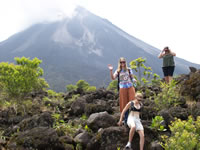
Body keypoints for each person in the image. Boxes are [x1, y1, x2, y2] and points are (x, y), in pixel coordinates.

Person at [108, 57, 136, 124]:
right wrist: (111, 71)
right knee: (124, 104)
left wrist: (134, 80)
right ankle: (126, 120)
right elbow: (113, 78)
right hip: (122, 88)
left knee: (132, 102)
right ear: (119, 63)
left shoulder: (129, 69)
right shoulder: (118, 71)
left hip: (130, 87)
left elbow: (132, 77)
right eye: (121, 62)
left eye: (123, 62)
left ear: (125, 62)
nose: (122, 63)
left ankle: (133, 118)